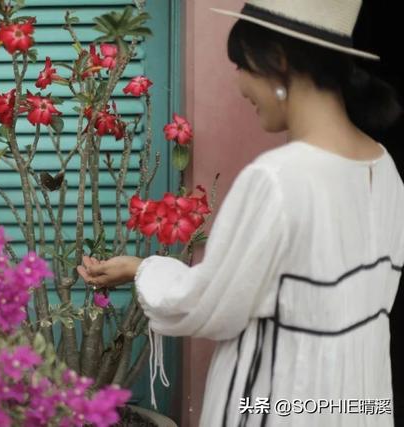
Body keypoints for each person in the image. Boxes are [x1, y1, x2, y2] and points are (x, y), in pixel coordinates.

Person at [76, 1, 404, 426]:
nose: (240, 85)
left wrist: (144, 271)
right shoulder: (383, 167)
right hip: (358, 401)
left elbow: (212, 303)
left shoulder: (277, 178)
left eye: (242, 66)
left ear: (280, 61)